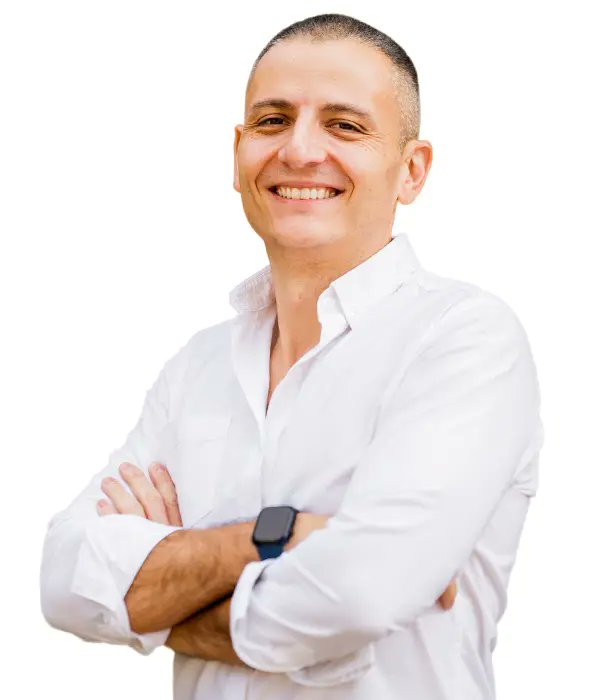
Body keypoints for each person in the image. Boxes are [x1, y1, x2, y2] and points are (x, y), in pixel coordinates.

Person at [40, 12, 544, 700]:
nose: (301, 150)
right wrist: (279, 538)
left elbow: (358, 595)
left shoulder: (463, 341)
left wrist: (157, 602)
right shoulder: (198, 369)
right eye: (273, 121)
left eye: (345, 126)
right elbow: (64, 580)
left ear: (412, 171)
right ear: (238, 154)